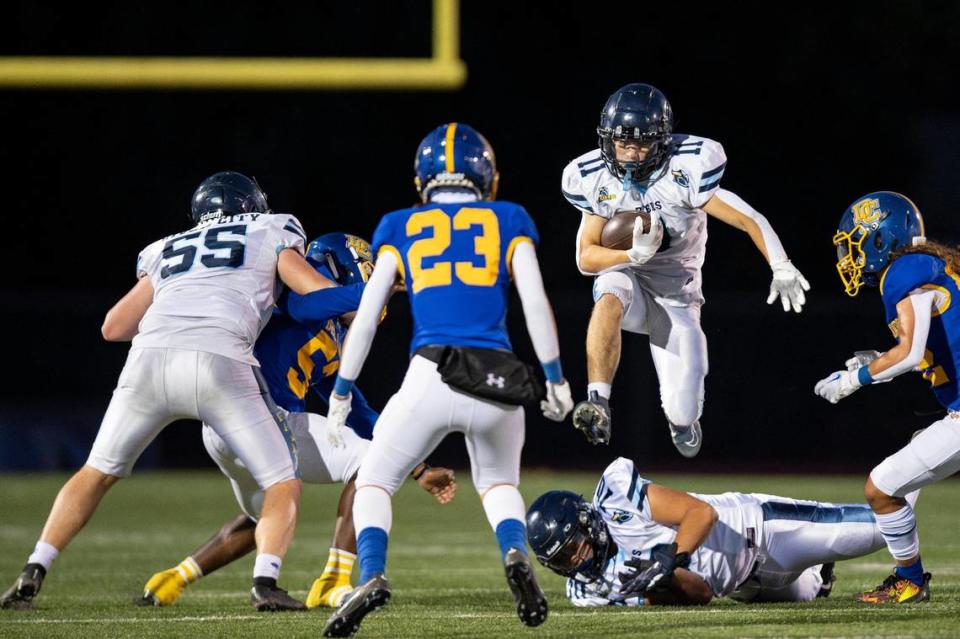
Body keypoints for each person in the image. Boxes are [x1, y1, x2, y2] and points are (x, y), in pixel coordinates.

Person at [0, 171, 328, 611]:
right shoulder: (270, 228)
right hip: (220, 358)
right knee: (282, 481)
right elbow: (311, 288)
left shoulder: (167, 248)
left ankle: (33, 569)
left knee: (96, 472)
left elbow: (113, 326)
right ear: (251, 205)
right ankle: (265, 583)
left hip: (148, 360)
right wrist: (361, 296)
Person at [321, 123, 574, 637]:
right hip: (497, 377)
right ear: (487, 174)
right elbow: (533, 300)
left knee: (374, 480)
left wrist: (342, 392)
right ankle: (513, 553)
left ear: (422, 178)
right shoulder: (509, 218)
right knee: (500, 483)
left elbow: (367, 317)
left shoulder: (398, 225)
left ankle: (370, 575)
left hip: (430, 374)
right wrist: (554, 379)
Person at [137, 233, 457, 611]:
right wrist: (377, 291)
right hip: (261, 418)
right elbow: (310, 303)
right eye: (368, 274)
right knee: (371, 465)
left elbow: (355, 409)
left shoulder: (332, 332)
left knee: (266, 517)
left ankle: (173, 579)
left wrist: (418, 469)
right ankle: (333, 579)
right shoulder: (293, 294)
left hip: (227, 432)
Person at [562, 83, 810, 457]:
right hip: (631, 281)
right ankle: (598, 400)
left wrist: (781, 263)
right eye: (621, 144)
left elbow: (748, 218)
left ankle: (682, 420)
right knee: (609, 288)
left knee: (682, 411)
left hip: (677, 300)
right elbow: (585, 258)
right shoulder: (594, 177)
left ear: (661, 141)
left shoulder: (686, 168)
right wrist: (632, 256)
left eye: (641, 144)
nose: (629, 154)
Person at [527, 457, 911, 607]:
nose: (576, 560)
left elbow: (700, 513)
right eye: (563, 559)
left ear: (586, 522)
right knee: (810, 593)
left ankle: (917, 462)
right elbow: (702, 594)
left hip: (759, 530)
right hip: (742, 587)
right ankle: (818, 575)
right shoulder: (586, 590)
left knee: (885, 522)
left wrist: (665, 559)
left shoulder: (616, 498)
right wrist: (661, 582)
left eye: (574, 546)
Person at [814, 191, 950, 604]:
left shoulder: (903, 271)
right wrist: (879, 361)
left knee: (881, 487)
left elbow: (909, 352)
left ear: (880, 239)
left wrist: (855, 378)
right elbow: (927, 349)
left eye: (853, 244)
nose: (847, 258)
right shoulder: (930, 265)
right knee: (902, 471)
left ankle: (909, 580)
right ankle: (906, 576)